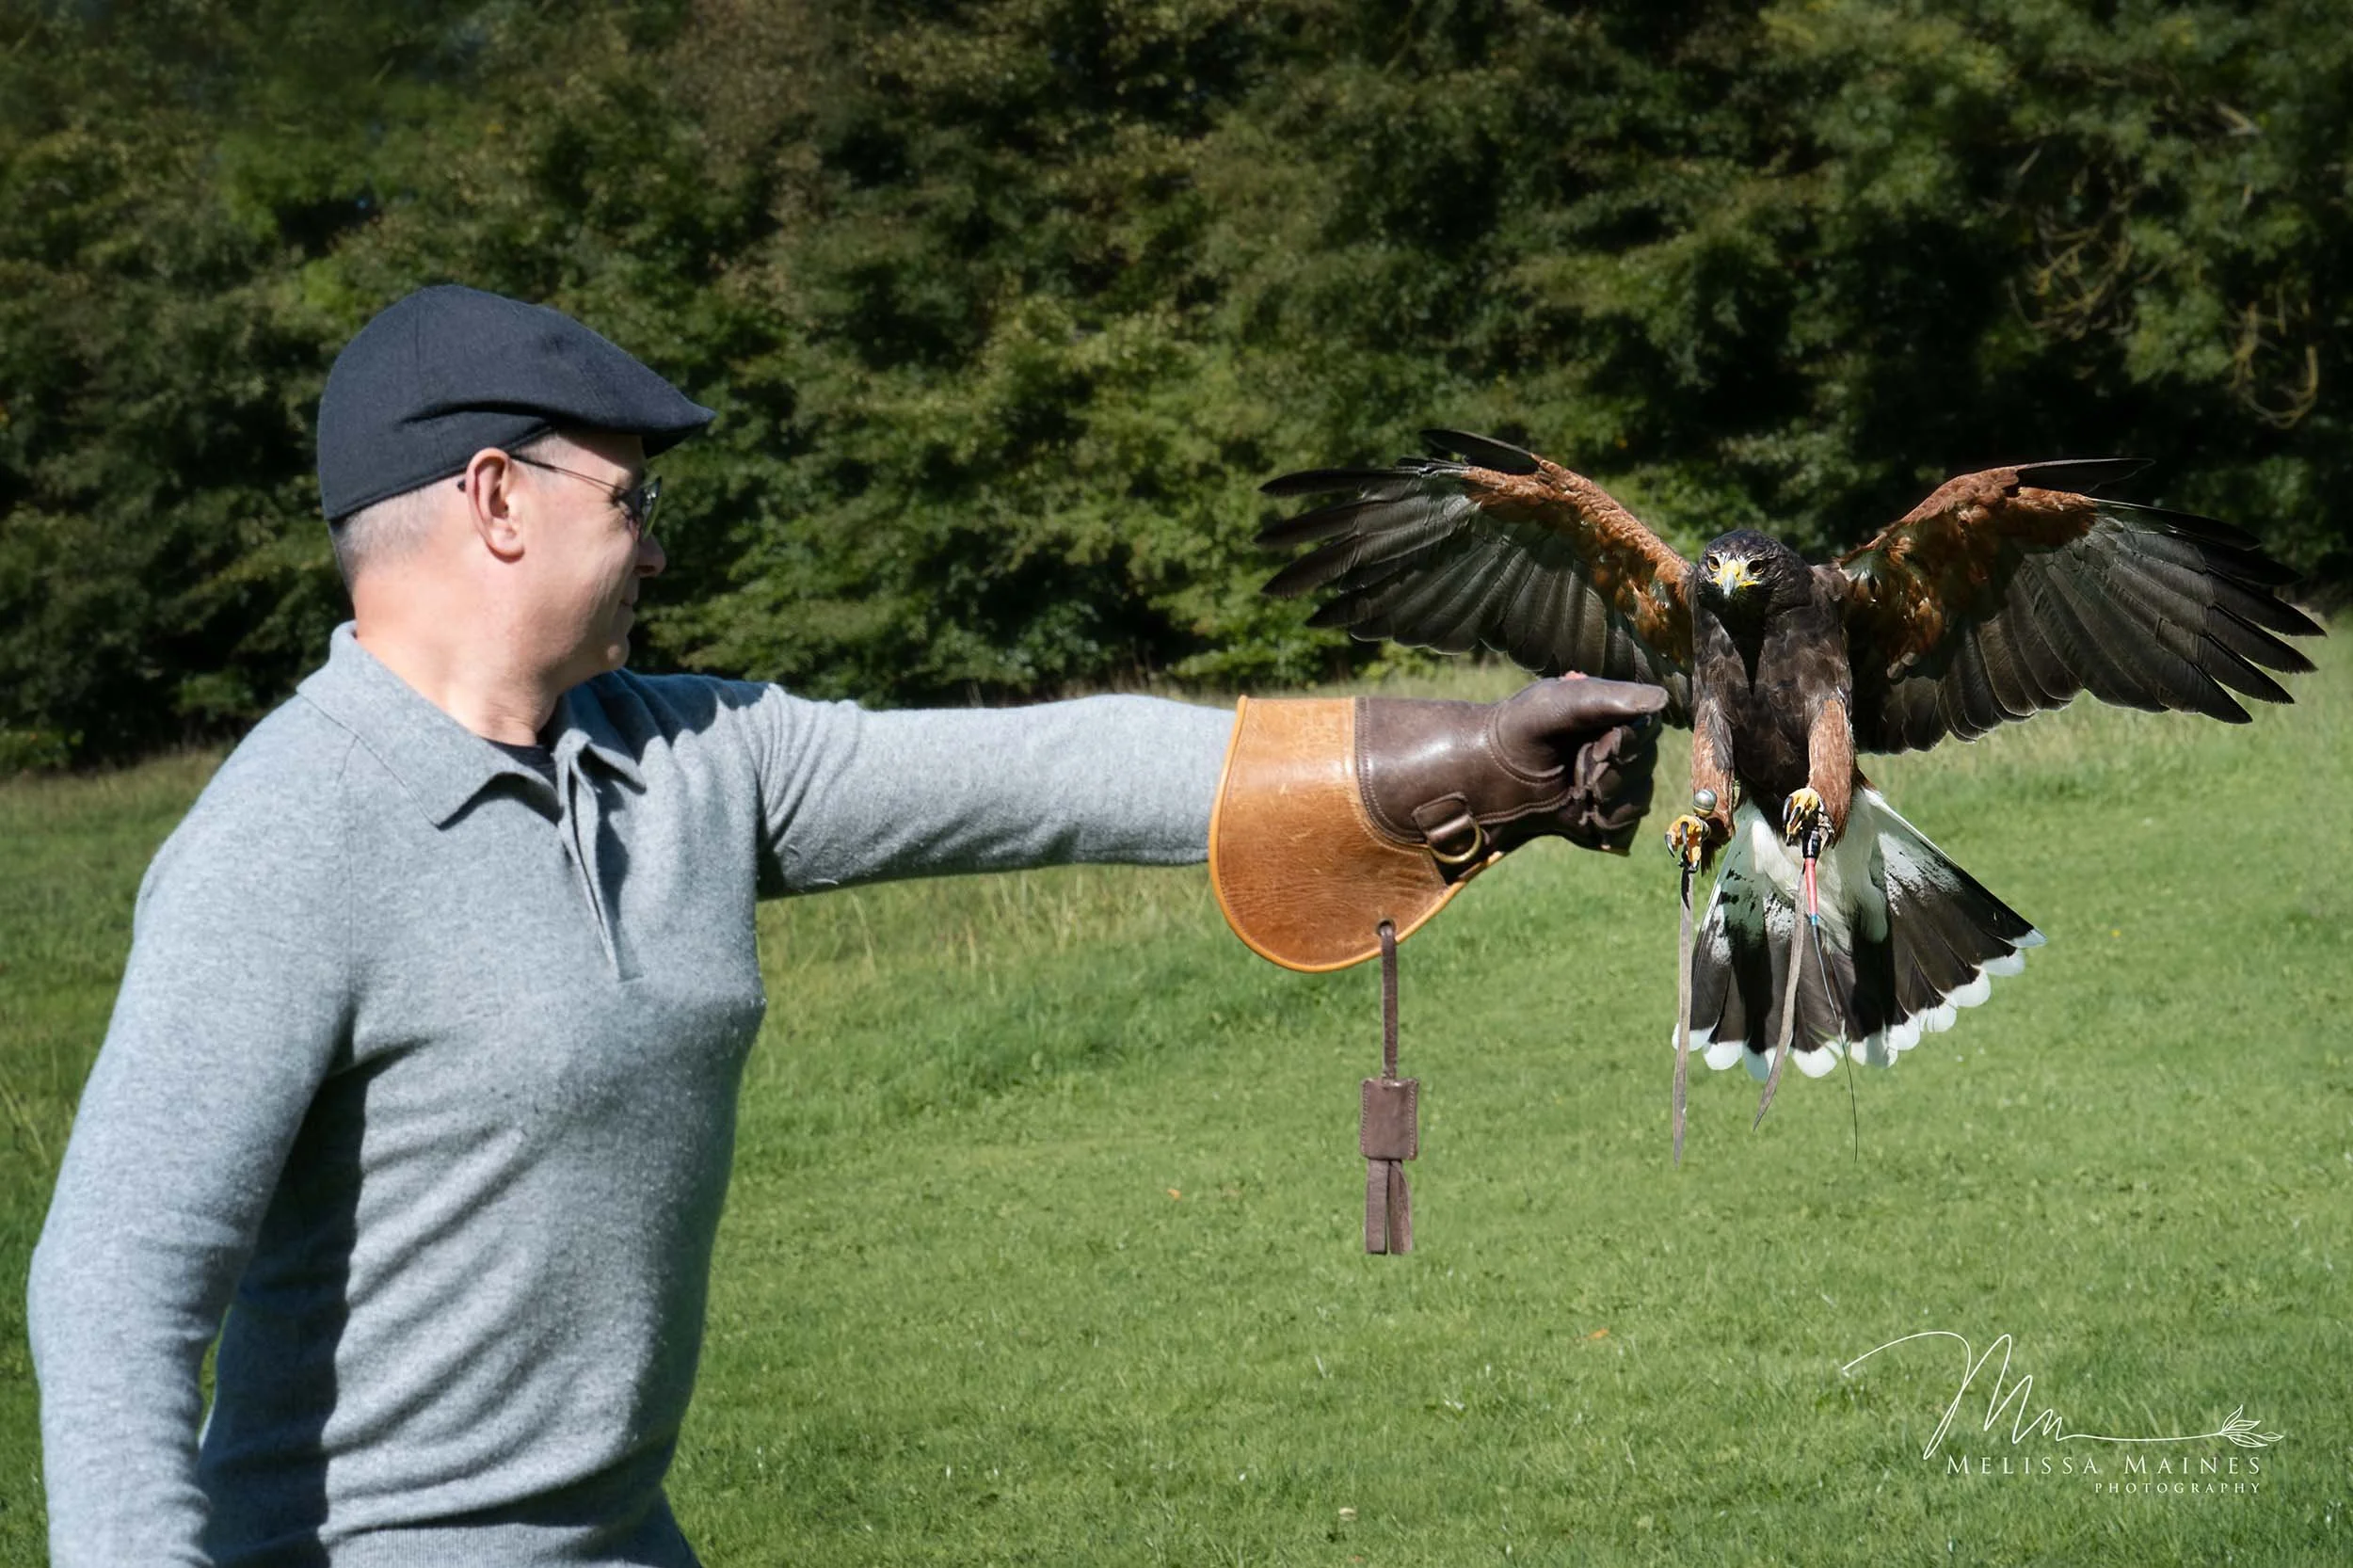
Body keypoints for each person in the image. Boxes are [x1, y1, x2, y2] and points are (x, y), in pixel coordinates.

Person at [25, 285, 1668, 1565]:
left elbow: (1036, 770)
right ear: (493, 498)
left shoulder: (681, 754)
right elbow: (114, 1284)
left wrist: (1448, 756)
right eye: (629, 495)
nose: (658, 539)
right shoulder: (284, 837)